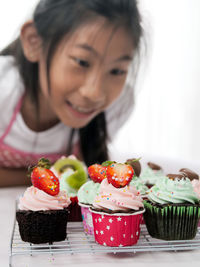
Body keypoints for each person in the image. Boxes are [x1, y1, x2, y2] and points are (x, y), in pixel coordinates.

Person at [0, 0, 143, 187]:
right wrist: (51, 175)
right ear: (34, 42)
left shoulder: (118, 104)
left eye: (117, 71)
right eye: (82, 62)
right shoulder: (4, 86)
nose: (94, 93)